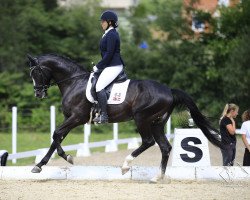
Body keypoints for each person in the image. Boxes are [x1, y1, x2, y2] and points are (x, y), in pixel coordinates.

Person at [92, 10, 125, 124]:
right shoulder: (108, 34)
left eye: (103, 21)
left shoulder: (111, 34)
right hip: (110, 65)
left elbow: (109, 54)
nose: (101, 23)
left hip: (114, 65)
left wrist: (98, 66)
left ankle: (104, 116)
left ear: (110, 22)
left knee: (99, 86)